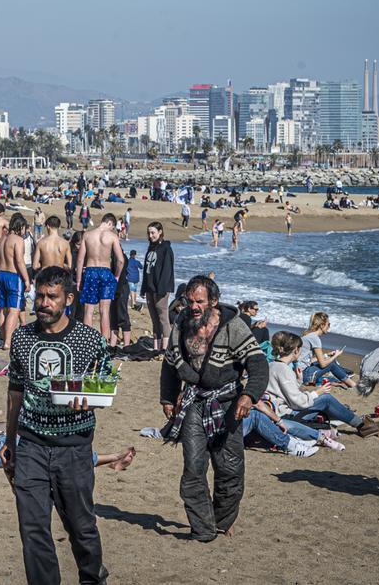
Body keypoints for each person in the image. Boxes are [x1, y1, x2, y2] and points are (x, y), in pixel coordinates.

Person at [4, 265, 113, 585]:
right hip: (32, 445)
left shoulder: (90, 339)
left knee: (81, 527)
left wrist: (88, 398)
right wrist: (9, 442)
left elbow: (105, 386)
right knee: (33, 530)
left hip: (75, 447)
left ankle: (93, 578)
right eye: (39, 295)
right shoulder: (22, 337)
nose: (43, 302)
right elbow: (14, 392)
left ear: (68, 299)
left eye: (51, 296)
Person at [159, 275, 268, 542]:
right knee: (194, 467)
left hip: (228, 402)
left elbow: (258, 365)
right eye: (190, 300)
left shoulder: (234, 326)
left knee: (229, 470)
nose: (194, 306)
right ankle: (202, 529)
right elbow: (170, 362)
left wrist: (249, 396)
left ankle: (222, 521)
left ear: (214, 302)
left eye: (200, 301)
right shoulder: (182, 323)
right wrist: (167, 397)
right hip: (194, 402)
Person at [266, 332, 379, 437]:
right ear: (296, 350)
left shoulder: (272, 365)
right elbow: (298, 402)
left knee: (325, 402)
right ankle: (363, 426)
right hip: (286, 416)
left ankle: (354, 419)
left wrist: (299, 380)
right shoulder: (284, 370)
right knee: (326, 399)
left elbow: (284, 393)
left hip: (275, 412)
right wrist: (317, 393)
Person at [0, 418, 135, 471]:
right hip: (3, 449)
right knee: (54, 453)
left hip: (6, 440)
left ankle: (110, 459)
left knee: (55, 443)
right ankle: (113, 458)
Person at [75, 212, 124, 346]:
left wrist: (79, 279)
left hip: (90, 271)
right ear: (110, 223)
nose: (112, 229)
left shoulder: (87, 235)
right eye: (112, 227)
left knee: (88, 310)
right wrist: (117, 276)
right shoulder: (112, 236)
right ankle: (103, 344)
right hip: (105, 272)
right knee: (104, 311)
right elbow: (120, 260)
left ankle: (87, 342)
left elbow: (80, 260)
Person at [0, 212, 30, 350]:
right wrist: (26, 279)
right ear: (20, 227)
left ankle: (4, 339)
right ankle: (8, 342)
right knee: (14, 310)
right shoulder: (17, 240)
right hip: (13, 276)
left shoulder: (1, 240)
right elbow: (19, 261)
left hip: (1, 274)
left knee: (3, 310)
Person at [297, 312, 356, 388]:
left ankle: (345, 376)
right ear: (322, 325)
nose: (329, 327)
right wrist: (336, 355)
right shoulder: (315, 339)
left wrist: (327, 355)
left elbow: (309, 360)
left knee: (328, 360)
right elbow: (323, 364)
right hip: (304, 375)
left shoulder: (307, 335)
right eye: (328, 324)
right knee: (331, 364)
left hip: (298, 372)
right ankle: (353, 384)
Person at [141, 221, 175, 350]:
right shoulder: (151, 248)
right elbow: (146, 270)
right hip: (150, 288)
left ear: (160, 232)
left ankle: (165, 349)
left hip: (161, 289)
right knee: (154, 320)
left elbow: (167, 271)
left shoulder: (166, 248)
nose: (150, 235)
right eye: (149, 233)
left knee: (163, 318)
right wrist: (144, 288)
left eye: (153, 233)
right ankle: (156, 347)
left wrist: (161, 289)